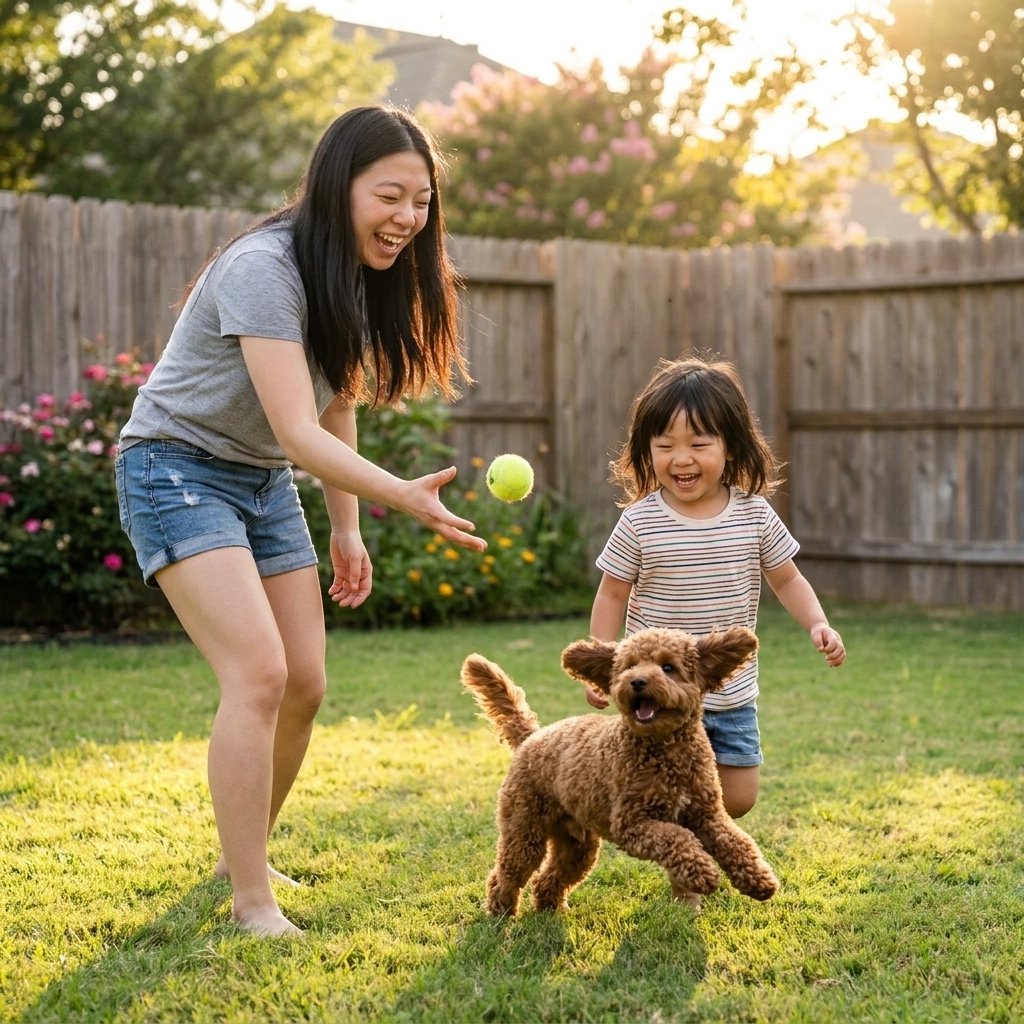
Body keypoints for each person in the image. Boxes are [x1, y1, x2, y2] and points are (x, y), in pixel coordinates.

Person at [115, 107, 485, 937]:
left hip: (259, 478)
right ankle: (252, 899)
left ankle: (237, 854)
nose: (407, 219)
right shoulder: (264, 268)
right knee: (258, 675)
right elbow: (296, 429)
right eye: (389, 195)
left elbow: (336, 400)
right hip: (173, 465)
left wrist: (347, 527)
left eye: (422, 201)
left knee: (306, 684)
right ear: (336, 186)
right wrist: (404, 495)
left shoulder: (352, 273)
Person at [584, 357, 845, 899]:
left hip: (730, 696)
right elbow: (612, 593)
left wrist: (817, 622)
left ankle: (692, 834)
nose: (681, 458)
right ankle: (686, 868)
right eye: (665, 444)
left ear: (731, 446)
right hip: (656, 700)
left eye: (699, 443)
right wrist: (605, 662)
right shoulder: (640, 522)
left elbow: (787, 579)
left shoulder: (753, 515)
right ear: (645, 450)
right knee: (657, 792)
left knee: (739, 797)